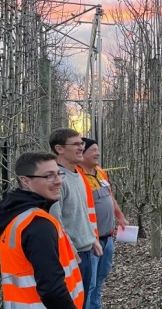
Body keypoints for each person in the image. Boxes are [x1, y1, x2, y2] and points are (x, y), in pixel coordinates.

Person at [0, 152, 84, 308]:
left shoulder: (14, 214)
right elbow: (52, 290)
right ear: (25, 181)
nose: (59, 181)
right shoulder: (37, 224)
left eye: (59, 174)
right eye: (49, 176)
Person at [49, 128, 102, 307]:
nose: (82, 147)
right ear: (59, 149)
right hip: (71, 257)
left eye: (82, 144)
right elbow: (55, 222)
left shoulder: (78, 175)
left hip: (86, 251)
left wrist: (92, 239)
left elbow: (82, 212)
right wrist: (72, 254)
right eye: (77, 144)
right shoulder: (56, 179)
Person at [79, 138, 129, 309]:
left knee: (100, 281)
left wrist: (120, 215)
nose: (97, 153)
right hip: (90, 242)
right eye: (93, 150)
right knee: (89, 283)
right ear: (81, 153)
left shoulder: (100, 172)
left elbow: (109, 196)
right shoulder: (77, 176)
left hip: (107, 238)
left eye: (97, 149)